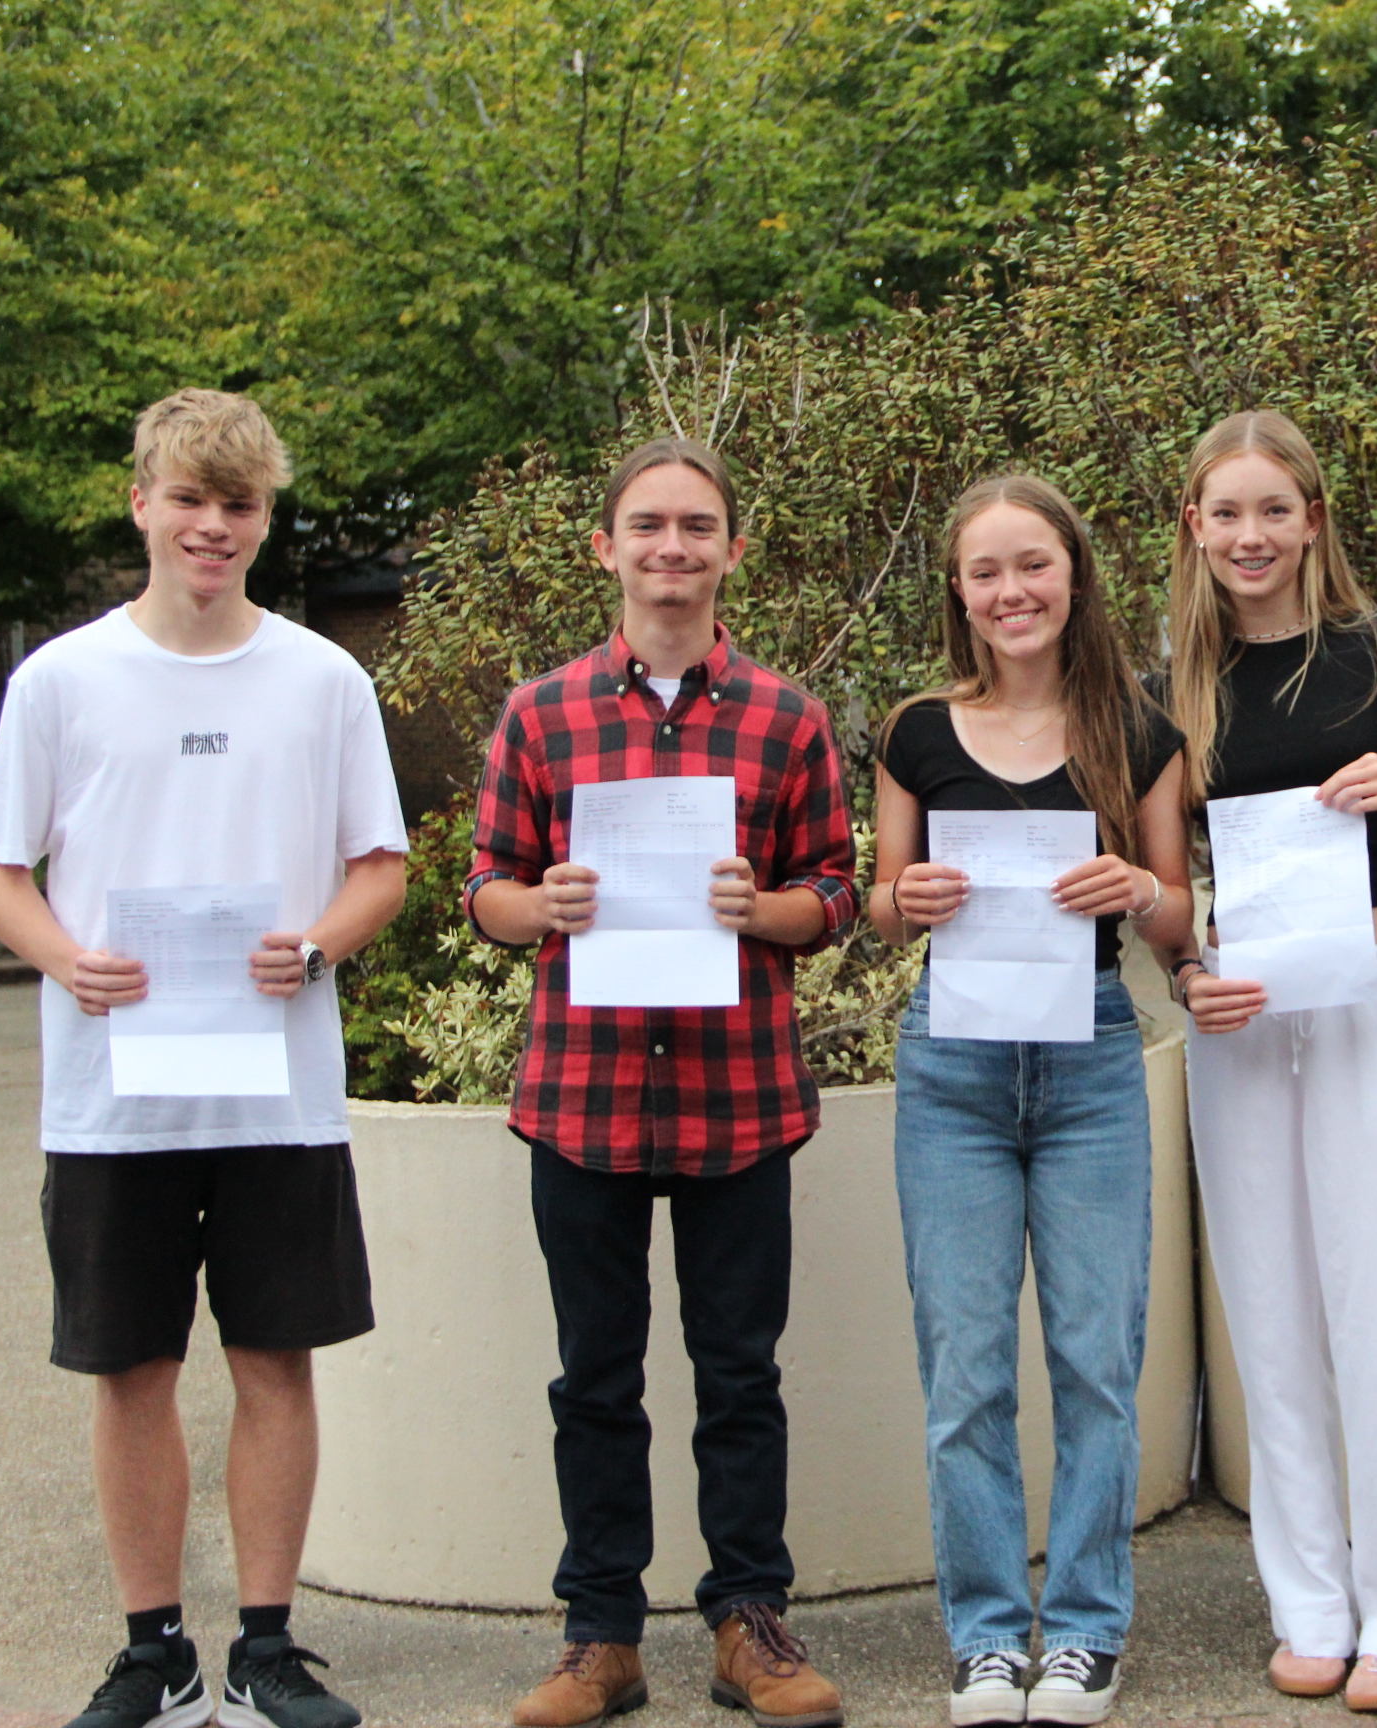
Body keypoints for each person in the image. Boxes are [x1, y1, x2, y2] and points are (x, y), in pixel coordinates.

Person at [0, 389, 409, 1728]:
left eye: (241, 505)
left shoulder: (324, 678)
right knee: (133, 1371)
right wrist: (64, 958)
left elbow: (380, 866)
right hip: (115, 1103)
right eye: (191, 500)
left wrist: (319, 944)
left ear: (264, 520)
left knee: (277, 1363)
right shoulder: (61, 678)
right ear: (143, 502)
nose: (213, 526)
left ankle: (265, 1648)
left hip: (276, 1091)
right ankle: (153, 1649)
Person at [467, 438, 857, 1727]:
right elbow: (483, 890)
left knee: (739, 1371)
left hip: (740, 1096)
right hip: (581, 1096)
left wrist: (771, 908)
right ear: (608, 547)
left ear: (732, 549)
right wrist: (542, 904)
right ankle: (601, 1635)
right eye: (648, 527)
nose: (672, 549)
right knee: (595, 1376)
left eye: (698, 527)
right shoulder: (541, 713)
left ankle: (750, 1621)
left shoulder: (788, 718)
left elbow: (838, 895)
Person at [1160, 410, 1377, 1713]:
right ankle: (1312, 1605)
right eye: (1225, 513)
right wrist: (1185, 975)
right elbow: (1160, 886)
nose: (1251, 536)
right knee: (1274, 1313)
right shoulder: (1169, 694)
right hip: (1246, 1018)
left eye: (1274, 510)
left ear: (1314, 517)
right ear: (1194, 527)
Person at [870, 475, 1194, 1728]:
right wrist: (912, 903)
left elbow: (1178, 917)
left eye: (1033, 566)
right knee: (964, 1368)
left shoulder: (1139, 731)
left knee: (1099, 1360)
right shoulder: (916, 732)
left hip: (1093, 1063)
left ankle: (1087, 1634)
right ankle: (991, 1638)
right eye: (987, 571)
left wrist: (1134, 889)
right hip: (950, 1067)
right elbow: (885, 901)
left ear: (1074, 575)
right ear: (959, 590)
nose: (1012, 592)